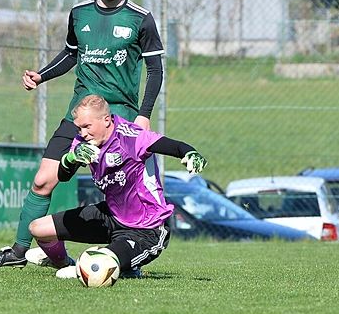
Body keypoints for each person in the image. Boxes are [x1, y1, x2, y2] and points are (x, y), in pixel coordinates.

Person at [0, 0, 165, 268]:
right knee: (42, 180)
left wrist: (144, 114)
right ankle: (19, 252)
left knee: (125, 193)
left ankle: (128, 255)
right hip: (77, 117)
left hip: (118, 118)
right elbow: (70, 55)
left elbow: (156, 70)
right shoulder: (80, 14)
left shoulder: (140, 18)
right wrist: (41, 75)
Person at [28, 95, 206, 278]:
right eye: (79, 128)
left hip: (146, 228)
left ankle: (120, 266)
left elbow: (174, 146)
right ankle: (65, 262)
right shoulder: (82, 142)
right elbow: (64, 176)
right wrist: (70, 158)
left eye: (87, 126)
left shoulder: (131, 137)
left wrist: (189, 153)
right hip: (111, 217)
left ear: (106, 120)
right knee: (37, 228)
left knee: (103, 263)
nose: (83, 133)